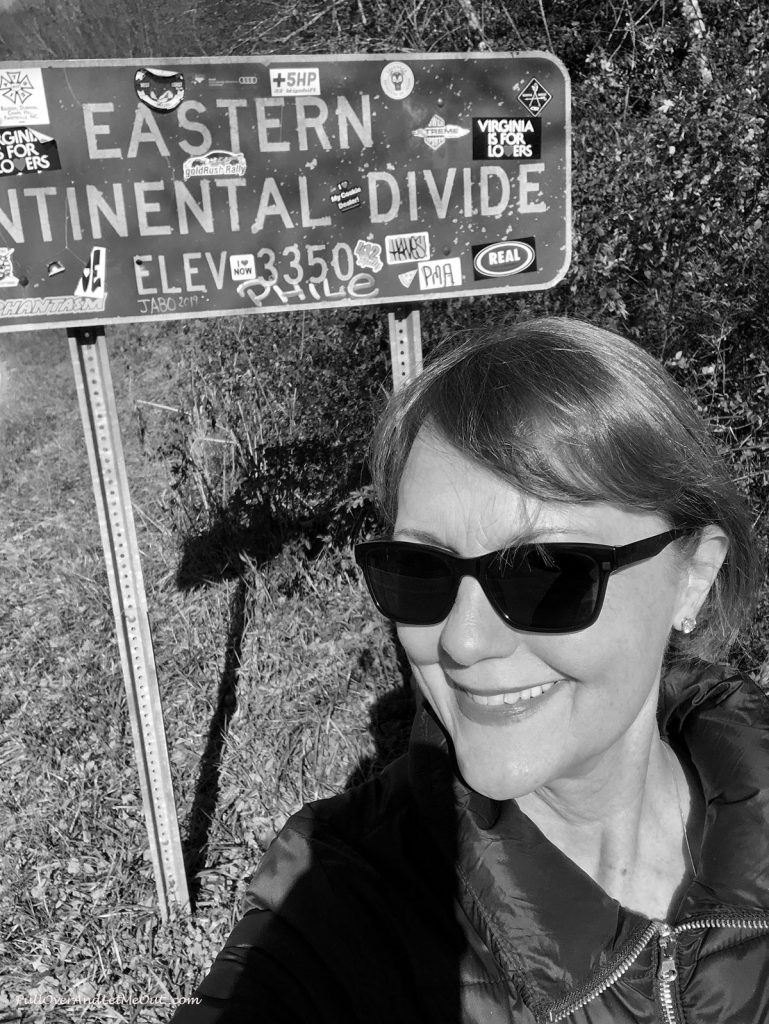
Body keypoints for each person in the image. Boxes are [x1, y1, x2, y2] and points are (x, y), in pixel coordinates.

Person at [172, 317, 768, 1023]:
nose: (460, 640)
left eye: (545, 572)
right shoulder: (339, 904)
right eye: (419, 570)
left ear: (692, 576)